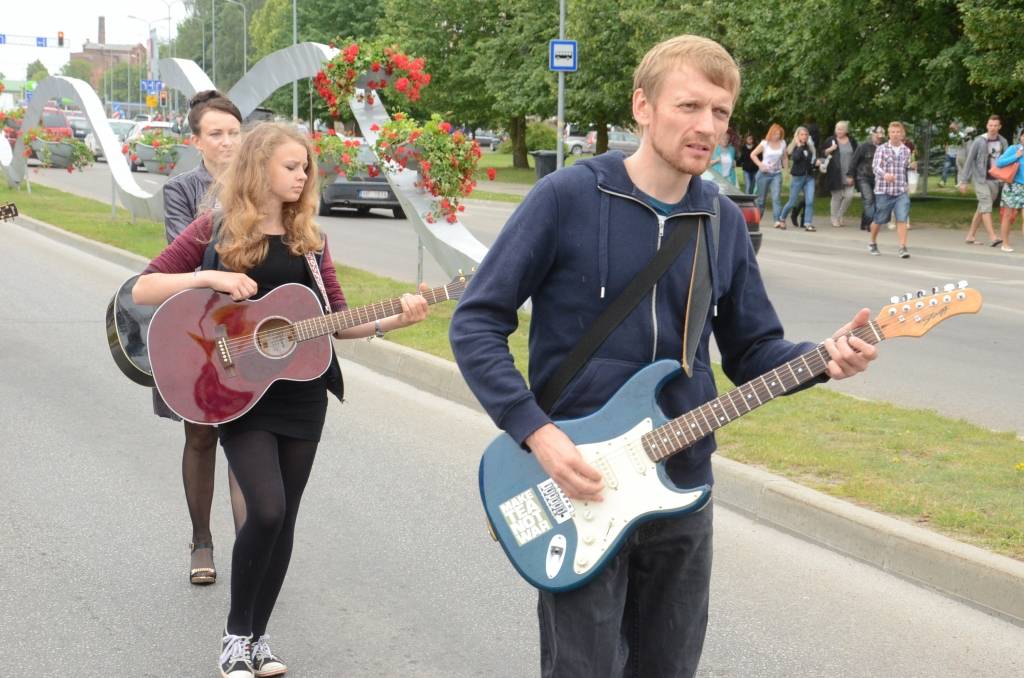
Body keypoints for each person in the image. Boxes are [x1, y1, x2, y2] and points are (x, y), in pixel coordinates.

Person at [448, 34, 877, 678]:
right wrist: (536, 432)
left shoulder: (722, 222)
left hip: (681, 485)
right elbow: (478, 321)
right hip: (579, 480)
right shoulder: (566, 198)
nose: (707, 126)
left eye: (721, 112)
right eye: (690, 106)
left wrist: (822, 359)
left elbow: (754, 349)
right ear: (643, 107)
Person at [133, 123, 431, 677]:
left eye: (305, 167)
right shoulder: (214, 228)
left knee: (285, 519)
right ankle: (234, 637)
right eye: (291, 166)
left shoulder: (310, 243)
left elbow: (337, 322)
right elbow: (143, 287)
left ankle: (258, 638)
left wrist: (395, 319)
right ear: (259, 168)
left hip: (302, 394)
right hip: (237, 394)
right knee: (265, 509)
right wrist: (211, 278)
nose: (302, 176)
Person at [157, 90, 247, 586]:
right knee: (200, 434)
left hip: (247, 326)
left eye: (234, 132)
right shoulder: (181, 190)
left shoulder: (262, 185)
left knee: (249, 435)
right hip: (194, 329)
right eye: (216, 134)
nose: (227, 142)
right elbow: (183, 255)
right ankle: (201, 541)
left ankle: (250, 548)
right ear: (196, 141)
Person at [959, 115, 1008, 246]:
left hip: (995, 180)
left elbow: (1006, 160)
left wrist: (1006, 177)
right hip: (980, 179)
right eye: (990, 125)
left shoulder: (1003, 141)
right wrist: (964, 181)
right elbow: (969, 160)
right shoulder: (979, 141)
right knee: (986, 205)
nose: (993, 128)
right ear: (987, 126)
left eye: (995, 125)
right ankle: (993, 237)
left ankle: (970, 235)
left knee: (982, 207)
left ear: (999, 127)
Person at [868, 121, 915, 258]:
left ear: (902, 134)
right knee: (880, 219)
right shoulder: (882, 149)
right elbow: (875, 167)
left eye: (898, 132)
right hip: (884, 190)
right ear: (889, 134)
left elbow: (906, 167)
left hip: (900, 190)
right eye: (893, 132)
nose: (895, 134)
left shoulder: (906, 150)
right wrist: (885, 175)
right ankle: (872, 242)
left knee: (902, 218)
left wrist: (912, 166)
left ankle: (902, 247)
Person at [779, 126, 818, 231]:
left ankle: (807, 223)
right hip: (798, 177)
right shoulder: (795, 148)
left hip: (809, 177)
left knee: (809, 201)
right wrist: (799, 145)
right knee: (792, 202)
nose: (804, 136)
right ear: (797, 136)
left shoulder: (809, 147)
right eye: (802, 134)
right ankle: (782, 218)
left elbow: (810, 161)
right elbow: (796, 158)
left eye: (806, 135)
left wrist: (816, 163)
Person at [821, 121, 858, 227]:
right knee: (836, 197)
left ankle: (839, 215)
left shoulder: (852, 141)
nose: (839, 131)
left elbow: (857, 156)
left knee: (849, 196)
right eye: (837, 129)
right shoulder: (830, 140)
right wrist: (830, 149)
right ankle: (834, 218)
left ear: (846, 130)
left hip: (849, 173)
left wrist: (853, 173)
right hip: (835, 173)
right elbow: (822, 153)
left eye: (841, 129)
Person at [750, 123, 787, 228]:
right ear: (771, 133)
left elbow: (785, 157)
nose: (777, 136)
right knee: (761, 200)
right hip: (764, 174)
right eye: (775, 134)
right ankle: (756, 220)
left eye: (779, 134)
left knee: (776, 197)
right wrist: (760, 164)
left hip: (776, 174)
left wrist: (786, 171)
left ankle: (777, 220)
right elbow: (753, 154)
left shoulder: (783, 143)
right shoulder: (765, 143)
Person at [994, 128, 1024, 252]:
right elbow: (999, 163)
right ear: (1021, 137)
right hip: (1012, 186)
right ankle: (1005, 243)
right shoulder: (1014, 149)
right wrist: (1016, 156)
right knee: (1007, 215)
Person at [848, 126, 884, 231]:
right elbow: (854, 161)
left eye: (881, 135)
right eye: (877, 134)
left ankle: (864, 222)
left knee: (875, 201)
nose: (879, 137)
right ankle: (871, 223)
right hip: (863, 176)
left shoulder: (884, 147)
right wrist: (850, 175)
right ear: (872, 134)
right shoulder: (863, 146)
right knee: (868, 199)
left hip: (878, 178)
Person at [941, 122, 963, 187]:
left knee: (957, 170)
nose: (951, 129)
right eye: (950, 128)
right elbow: (946, 144)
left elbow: (963, 145)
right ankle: (943, 182)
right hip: (949, 155)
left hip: (957, 155)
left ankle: (957, 183)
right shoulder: (949, 135)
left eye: (952, 128)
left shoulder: (962, 135)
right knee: (945, 168)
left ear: (956, 127)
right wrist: (946, 152)